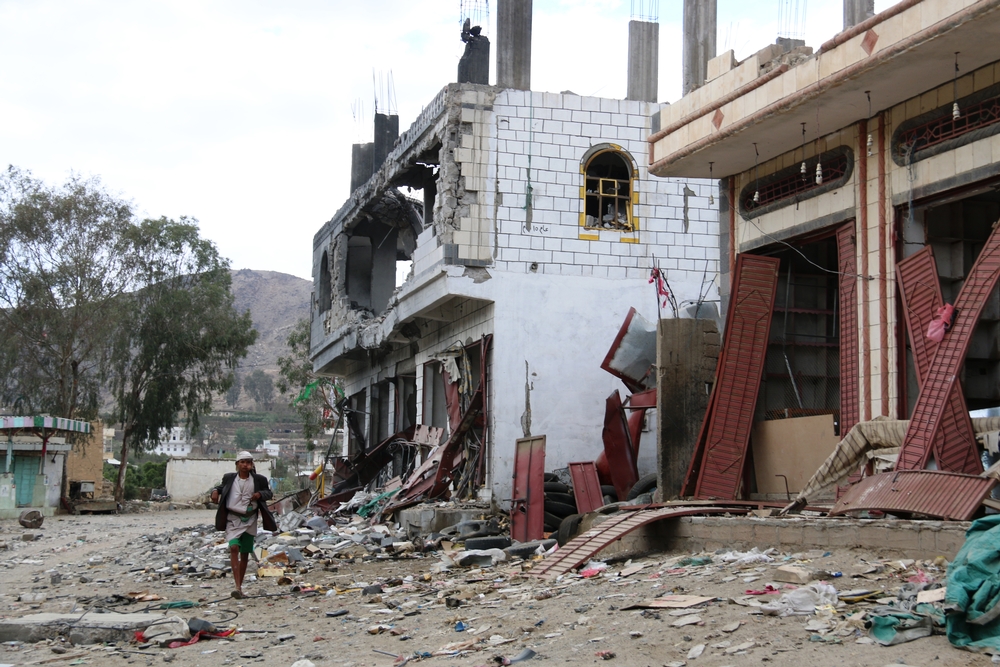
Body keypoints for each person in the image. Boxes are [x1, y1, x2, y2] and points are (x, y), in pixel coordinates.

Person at [211, 451, 276, 599]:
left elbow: (268, 493)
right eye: (242, 462)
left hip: (250, 519)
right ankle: (237, 585)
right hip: (233, 519)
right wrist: (215, 491)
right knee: (234, 547)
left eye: (248, 462)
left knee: (245, 553)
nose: (245, 465)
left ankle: (239, 587)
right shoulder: (229, 478)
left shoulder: (259, 480)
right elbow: (221, 488)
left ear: (251, 464)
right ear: (237, 464)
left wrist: (260, 494)